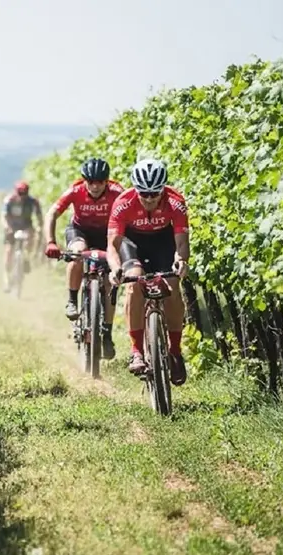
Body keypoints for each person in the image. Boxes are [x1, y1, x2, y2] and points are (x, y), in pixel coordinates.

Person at [106, 158, 190, 385]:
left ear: (163, 189)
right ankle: (136, 351)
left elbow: (181, 242)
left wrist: (181, 261)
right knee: (134, 284)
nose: (150, 198)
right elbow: (113, 245)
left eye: (155, 193)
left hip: (163, 242)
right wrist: (115, 269)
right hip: (132, 243)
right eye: (144, 193)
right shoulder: (123, 203)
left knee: (173, 287)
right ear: (136, 189)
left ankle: (175, 351)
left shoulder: (175, 201)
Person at [43, 157, 124, 359]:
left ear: (107, 181)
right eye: (91, 182)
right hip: (80, 231)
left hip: (107, 234)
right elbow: (52, 214)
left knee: (109, 282)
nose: (95, 186)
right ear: (84, 181)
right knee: (77, 253)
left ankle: (107, 333)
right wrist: (51, 242)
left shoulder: (117, 193)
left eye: (100, 182)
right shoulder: (75, 191)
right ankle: (72, 300)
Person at [1, 180, 43, 291]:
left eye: (24, 193)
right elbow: (4, 216)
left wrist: (39, 227)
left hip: (26, 226)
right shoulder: (9, 200)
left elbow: (39, 216)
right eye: (20, 193)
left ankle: (26, 258)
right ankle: (7, 278)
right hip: (11, 226)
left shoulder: (33, 202)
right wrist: (7, 227)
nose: (22, 196)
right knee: (9, 251)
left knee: (31, 236)